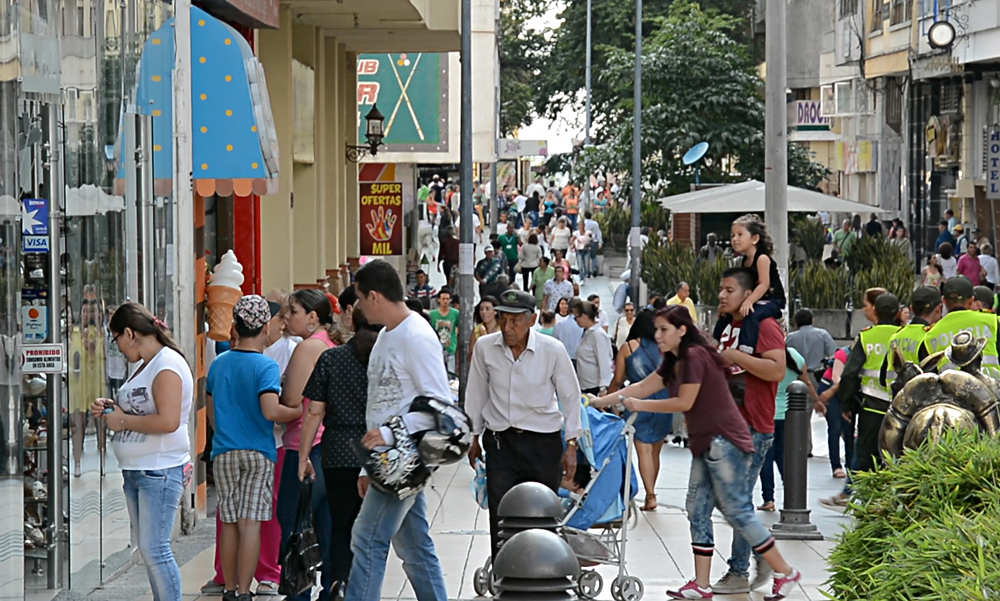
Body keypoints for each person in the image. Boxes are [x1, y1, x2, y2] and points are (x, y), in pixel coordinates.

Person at [590, 306, 802, 601]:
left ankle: (784, 570)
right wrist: (598, 402)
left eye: (664, 329)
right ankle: (702, 584)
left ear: (682, 330)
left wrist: (640, 406)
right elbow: (641, 386)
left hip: (725, 441)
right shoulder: (675, 359)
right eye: (657, 329)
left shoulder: (693, 357)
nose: (657, 335)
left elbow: (684, 401)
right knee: (697, 509)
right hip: (708, 443)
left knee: (736, 510)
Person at [348, 260, 452, 601]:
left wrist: (392, 435)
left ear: (375, 296)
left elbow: (439, 404)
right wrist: (369, 464)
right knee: (413, 543)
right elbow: (380, 403)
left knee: (367, 538)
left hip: (404, 456)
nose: (359, 307)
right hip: (389, 458)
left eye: (361, 299)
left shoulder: (417, 336)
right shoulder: (386, 338)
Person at [466, 289, 582, 558]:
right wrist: (473, 437)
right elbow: (476, 393)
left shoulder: (552, 350)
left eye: (516, 321)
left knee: (542, 511)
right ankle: (504, 572)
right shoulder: (486, 348)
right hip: (500, 442)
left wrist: (573, 442)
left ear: (532, 320)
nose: (508, 327)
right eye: (503, 319)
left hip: (542, 443)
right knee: (501, 512)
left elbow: (571, 396)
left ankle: (542, 571)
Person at [89, 303, 193, 601]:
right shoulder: (147, 364)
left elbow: (168, 420)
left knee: (155, 549)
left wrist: (121, 420)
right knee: (149, 549)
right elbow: (142, 408)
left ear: (130, 334)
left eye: (116, 339)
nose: (119, 348)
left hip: (158, 470)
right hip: (140, 470)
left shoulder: (167, 365)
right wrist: (113, 409)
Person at [206, 296, 304, 601]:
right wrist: (300, 411)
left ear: (235, 326)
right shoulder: (266, 366)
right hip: (258, 452)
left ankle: (230, 588)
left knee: (230, 521)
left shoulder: (219, 364)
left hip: (223, 451)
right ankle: (245, 590)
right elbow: (271, 411)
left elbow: (210, 412)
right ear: (264, 327)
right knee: (251, 524)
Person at [711, 267, 787, 593]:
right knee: (725, 501)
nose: (722, 296)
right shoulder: (729, 326)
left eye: (729, 290)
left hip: (752, 426)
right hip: (729, 426)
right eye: (721, 289)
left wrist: (737, 356)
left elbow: (777, 369)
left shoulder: (764, 325)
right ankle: (761, 552)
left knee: (736, 503)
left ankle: (739, 570)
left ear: (748, 294)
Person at [298, 305, 381, 598]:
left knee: (341, 524)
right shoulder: (386, 360)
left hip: (336, 451)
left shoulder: (332, 358)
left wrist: (303, 455)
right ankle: (364, 587)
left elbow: (314, 412)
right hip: (375, 449)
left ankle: (338, 583)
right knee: (372, 529)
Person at [276, 290, 339, 601]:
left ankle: (298, 594)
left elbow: (291, 400)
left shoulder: (308, 348)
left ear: (313, 318)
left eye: (294, 311)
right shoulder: (331, 344)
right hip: (329, 447)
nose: (287, 317)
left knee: (293, 521)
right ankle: (330, 591)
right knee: (326, 525)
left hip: (305, 446)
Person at [820, 291, 899, 510]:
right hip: (900, 408)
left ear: (875, 309)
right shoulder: (905, 335)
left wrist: (848, 405)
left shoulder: (867, 336)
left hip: (872, 406)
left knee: (864, 453)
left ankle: (850, 494)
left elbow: (849, 374)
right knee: (894, 454)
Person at [608, 309, 673, 511]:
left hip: (638, 401)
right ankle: (651, 492)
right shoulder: (665, 347)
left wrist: (609, 401)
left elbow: (618, 380)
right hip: (664, 401)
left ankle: (651, 495)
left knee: (642, 449)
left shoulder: (628, 347)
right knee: (655, 452)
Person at [715, 214, 785, 352]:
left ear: (755, 238)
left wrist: (749, 301)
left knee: (752, 316)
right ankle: (714, 344)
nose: (735, 239)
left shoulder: (762, 258)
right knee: (726, 315)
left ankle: (746, 349)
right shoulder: (745, 261)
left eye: (740, 235)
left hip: (772, 301)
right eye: (733, 235)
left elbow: (764, 285)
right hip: (756, 299)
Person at [757, 348, 815, 512]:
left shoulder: (764, 356)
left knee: (766, 457)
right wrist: (818, 400)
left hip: (768, 414)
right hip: (790, 415)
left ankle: (768, 499)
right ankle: (792, 496)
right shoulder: (796, 356)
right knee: (786, 457)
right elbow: (807, 382)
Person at [919, 276, 1000, 376]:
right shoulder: (993, 321)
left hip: (953, 390)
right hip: (992, 388)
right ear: (971, 300)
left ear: (944, 300)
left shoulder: (930, 335)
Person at [784, 309, 837, 452]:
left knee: (802, 414)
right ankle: (840, 448)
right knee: (832, 414)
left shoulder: (790, 338)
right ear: (812, 320)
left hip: (799, 378)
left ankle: (804, 448)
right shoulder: (823, 334)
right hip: (821, 377)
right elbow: (834, 355)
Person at [575, 300, 614, 395]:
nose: (576, 320)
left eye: (576, 317)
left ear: (584, 316)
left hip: (595, 387)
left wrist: (603, 387)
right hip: (586, 385)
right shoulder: (587, 333)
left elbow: (604, 361)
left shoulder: (598, 334)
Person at [430, 288, 460, 374]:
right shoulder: (433, 314)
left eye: (447, 299)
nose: (445, 301)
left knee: (451, 374)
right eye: (443, 299)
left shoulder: (455, 313)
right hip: (436, 349)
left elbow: (459, 330)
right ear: (439, 300)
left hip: (451, 349)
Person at [554, 297, 586, 367]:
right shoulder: (585, 326)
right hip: (581, 360)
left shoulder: (559, 325)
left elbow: (555, 343)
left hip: (564, 359)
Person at [584, 211, 604, 277]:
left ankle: (588, 271)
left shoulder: (584, 223)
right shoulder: (595, 223)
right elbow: (599, 232)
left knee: (586, 256)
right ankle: (595, 268)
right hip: (594, 241)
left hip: (586, 241)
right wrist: (600, 242)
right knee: (594, 256)